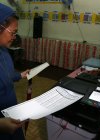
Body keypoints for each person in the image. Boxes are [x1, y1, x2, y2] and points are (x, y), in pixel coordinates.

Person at [0, 3, 29, 139]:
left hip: (11, 116)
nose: (14, 37)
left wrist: (19, 75)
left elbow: (5, 75)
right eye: (12, 32)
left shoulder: (4, 51)